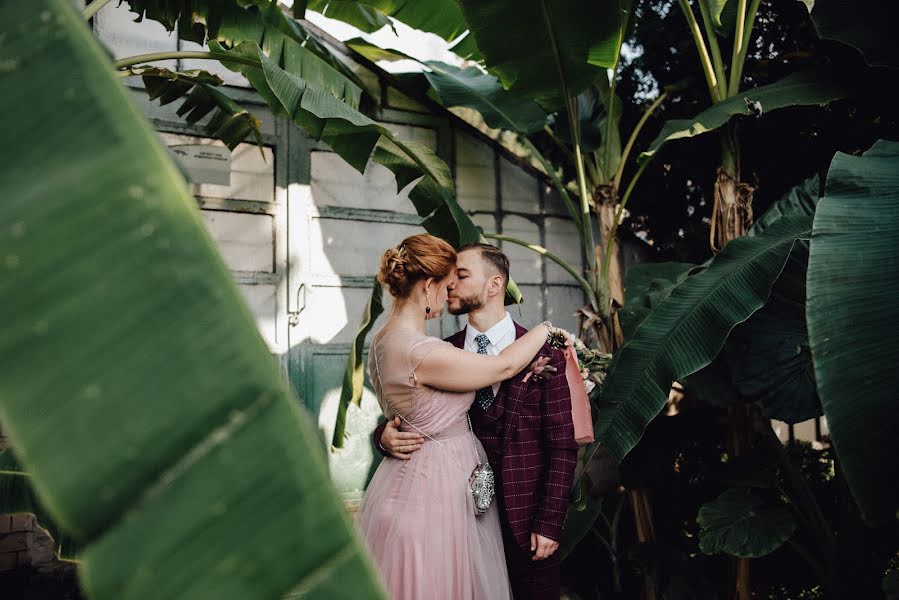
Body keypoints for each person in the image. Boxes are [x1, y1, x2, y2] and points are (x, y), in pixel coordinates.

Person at [356, 234, 559, 600]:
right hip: (436, 498)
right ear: (429, 286)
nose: (449, 293)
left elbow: (410, 409)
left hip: (468, 499)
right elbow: (504, 365)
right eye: (447, 284)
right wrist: (548, 330)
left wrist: (387, 433)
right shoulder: (429, 348)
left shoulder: (383, 340)